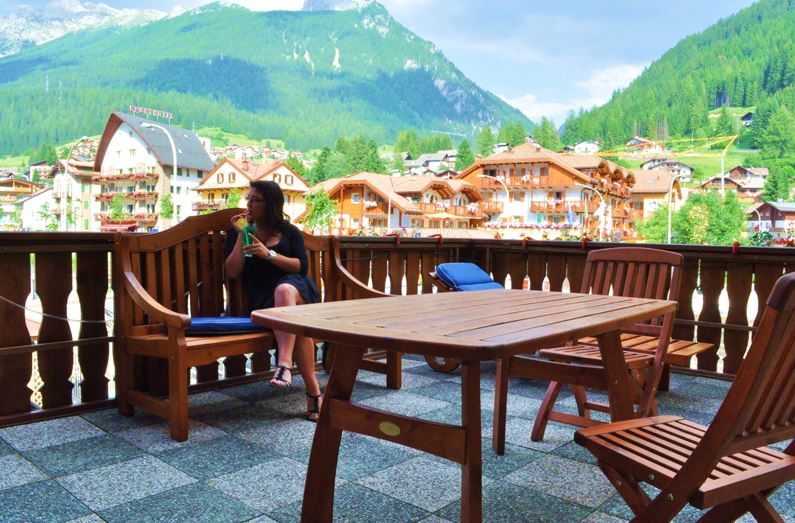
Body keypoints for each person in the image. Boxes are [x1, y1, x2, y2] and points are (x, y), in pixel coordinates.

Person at [225, 180, 323, 421]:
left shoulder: (289, 232)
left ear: (270, 204)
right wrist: (242, 235)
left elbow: (301, 267)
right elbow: (232, 272)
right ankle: (314, 395)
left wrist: (268, 254)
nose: (249, 204)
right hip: (265, 302)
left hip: (298, 292)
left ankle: (284, 365)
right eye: (248, 198)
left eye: (255, 200)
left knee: (284, 291)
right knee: (297, 325)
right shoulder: (241, 232)